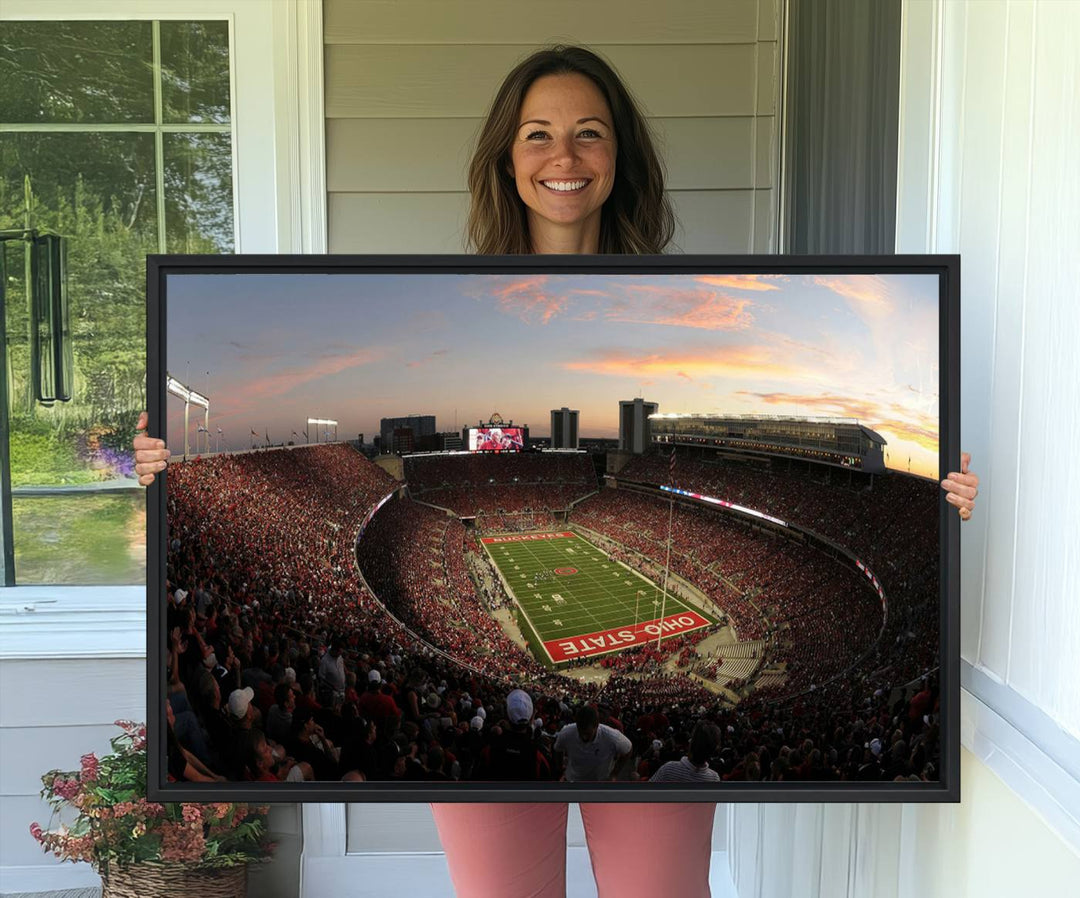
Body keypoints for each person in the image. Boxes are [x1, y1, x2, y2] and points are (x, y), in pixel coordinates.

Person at [134, 42, 981, 898]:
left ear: (621, 157)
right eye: (538, 134)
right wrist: (168, 468)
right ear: (506, 158)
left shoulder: (676, 306)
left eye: (589, 133)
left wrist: (941, 501)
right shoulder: (451, 298)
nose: (563, 157)